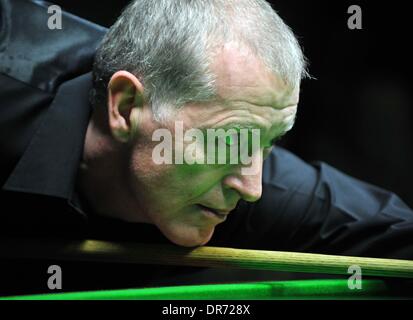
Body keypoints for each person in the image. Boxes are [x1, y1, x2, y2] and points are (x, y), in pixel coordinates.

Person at [1, 0, 412, 260]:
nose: (252, 187)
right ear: (126, 107)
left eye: (267, 143)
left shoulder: (231, 171)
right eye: (228, 141)